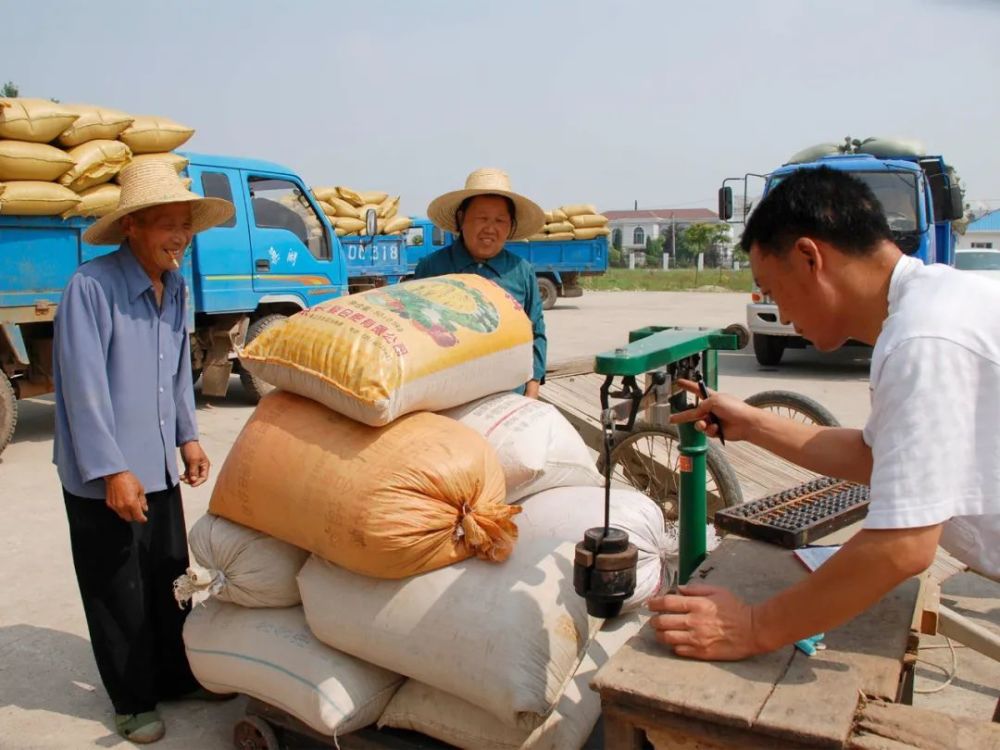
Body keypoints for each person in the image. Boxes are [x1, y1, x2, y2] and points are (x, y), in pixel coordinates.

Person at [649, 166, 1000, 661]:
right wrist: (754, 423)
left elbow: (902, 547)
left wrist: (751, 626)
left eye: (773, 291)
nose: (783, 315)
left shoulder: (923, 339)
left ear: (809, 257)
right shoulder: (931, 305)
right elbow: (877, 458)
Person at [53, 161, 236, 742]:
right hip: (105, 473)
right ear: (132, 225)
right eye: (167, 224)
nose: (180, 237)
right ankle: (132, 699)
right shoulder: (92, 287)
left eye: (186, 225)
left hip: (157, 464)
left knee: (167, 576)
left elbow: (177, 369)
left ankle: (174, 674)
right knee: (116, 588)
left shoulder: (175, 285)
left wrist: (187, 435)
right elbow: (83, 388)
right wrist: (112, 470)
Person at [415, 168, 547, 397]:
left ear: (510, 226)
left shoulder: (521, 272)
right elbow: (416, 334)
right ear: (461, 219)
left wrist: (532, 393)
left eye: (499, 220)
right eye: (482, 218)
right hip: (446, 398)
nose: (490, 228)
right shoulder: (431, 269)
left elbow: (535, 334)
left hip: (508, 398)